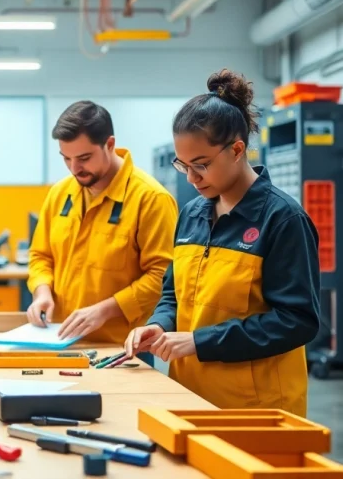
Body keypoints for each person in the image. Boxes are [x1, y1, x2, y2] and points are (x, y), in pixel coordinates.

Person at [124, 70, 321, 417]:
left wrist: (200, 342)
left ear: (237, 149)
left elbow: (297, 320)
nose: (190, 178)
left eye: (201, 165)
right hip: (192, 398)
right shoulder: (192, 215)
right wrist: (158, 324)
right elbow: (174, 294)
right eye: (182, 165)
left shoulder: (282, 219)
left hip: (258, 411)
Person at [25, 101, 178, 347]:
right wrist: (41, 291)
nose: (75, 168)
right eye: (66, 158)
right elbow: (40, 255)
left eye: (84, 158)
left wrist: (106, 310)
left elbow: (163, 278)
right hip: (60, 340)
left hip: (120, 348)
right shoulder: (60, 193)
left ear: (109, 145)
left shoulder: (151, 199)